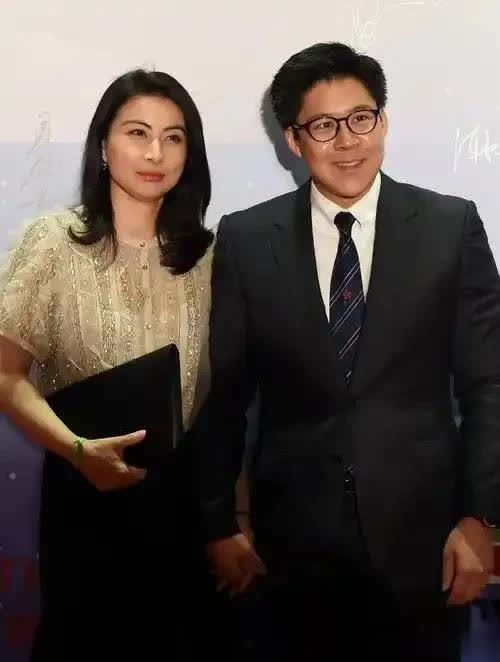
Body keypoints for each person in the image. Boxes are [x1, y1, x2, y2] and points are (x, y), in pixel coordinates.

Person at [193, 42, 500, 661]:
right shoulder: (246, 238)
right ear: (293, 139)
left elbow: (488, 384)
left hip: (426, 544)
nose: (347, 141)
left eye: (361, 118)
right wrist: (219, 523)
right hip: (291, 551)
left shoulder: (450, 226)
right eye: (323, 126)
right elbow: (225, 394)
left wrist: (480, 520)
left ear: (382, 121)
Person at [0, 69, 237, 661]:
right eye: (137, 133)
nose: (156, 153)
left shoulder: (211, 257)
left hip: (186, 508)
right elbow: (5, 376)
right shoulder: (53, 243)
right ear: (103, 145)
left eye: (173, 137)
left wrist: (233, 516)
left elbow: (231, 401)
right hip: (85, 495)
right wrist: (80, 451)